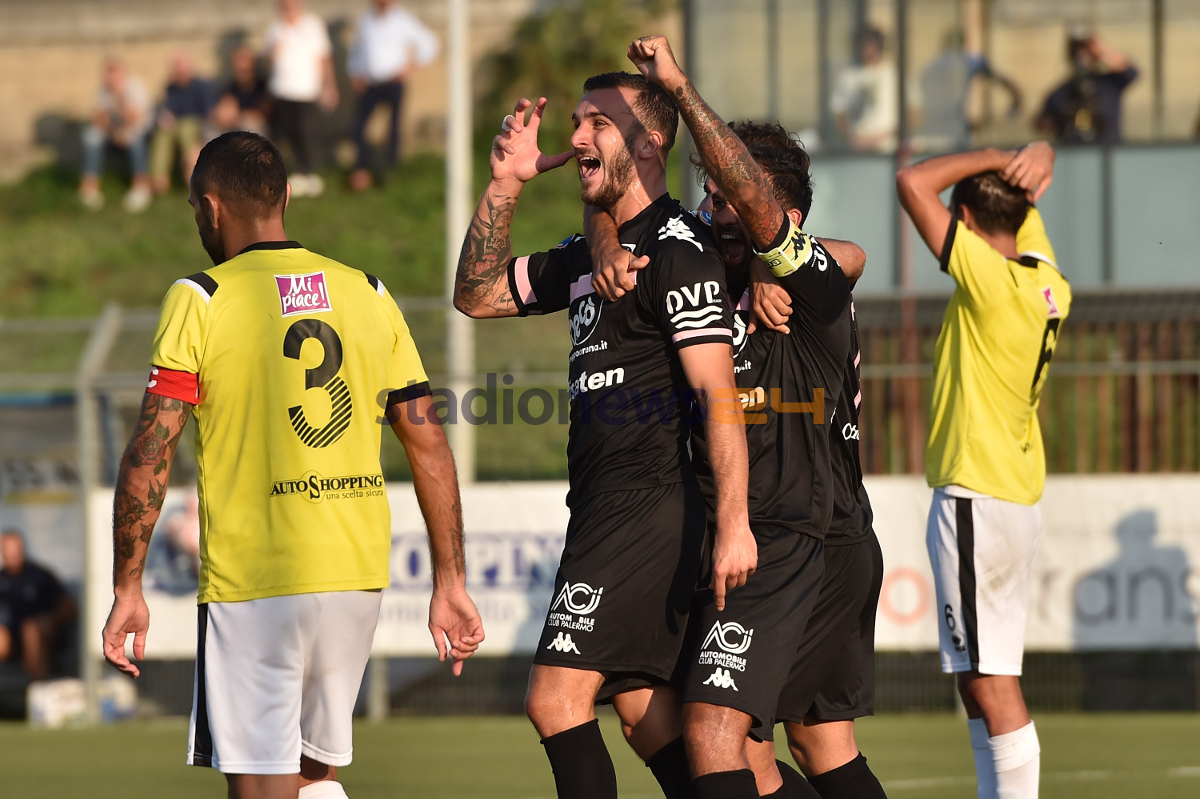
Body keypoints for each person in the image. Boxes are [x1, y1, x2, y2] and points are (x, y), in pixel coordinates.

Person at [101, 131, 484, 799]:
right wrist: (450, 579)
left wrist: (127, 586)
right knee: (314, 778)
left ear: (211, 207)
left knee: (262, 788)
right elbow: (429, 445)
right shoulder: (369, 290)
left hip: (258, 579)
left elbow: (149, 453)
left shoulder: (201, 296)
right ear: (283, 199)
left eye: (195, 210)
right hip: (354, 575)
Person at [589, 36, 887, 799]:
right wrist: (606, 238)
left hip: (800, 532)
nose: (716, 211)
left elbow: (847, 253)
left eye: (732, 200)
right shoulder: (702, 269)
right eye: (712, 198)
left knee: (716, 730)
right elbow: (622, 216)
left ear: (785, 219)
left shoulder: (808, 285)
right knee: (804, 745)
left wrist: (766, 256)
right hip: (777, 531)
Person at [454, 76, 754, 799]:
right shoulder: (589, 253)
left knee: (554, 699)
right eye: (577, 121)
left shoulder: (678, 250)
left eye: (599, 123)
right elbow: (477, 293)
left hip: (648, 505)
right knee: (649, 718)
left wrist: (735, 522)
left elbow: (718, 397)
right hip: (602, 505)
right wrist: (504, 185)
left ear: (650, 143)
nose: (577, 137)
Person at [897, 141, 1070, 799]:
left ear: (964, 220)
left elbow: (912, 183)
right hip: (1010, 498)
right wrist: (1036, 156)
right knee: (978, 680)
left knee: (993, 684)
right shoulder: (1048, 282)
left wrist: (997, 153)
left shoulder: (988, 279)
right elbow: (1020, 209)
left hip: (978, 496)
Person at [346, 0, 439, 191]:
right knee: (359, 126)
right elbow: (359, 50)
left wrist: (412, 67)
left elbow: (429, 42)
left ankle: (389, 170)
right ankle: (361, 169)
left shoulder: (402, 20)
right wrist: (356, 72)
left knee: (393, 127)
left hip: (393, 82)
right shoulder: (366, 20)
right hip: (371, 83)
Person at [264, 0, 339, 197]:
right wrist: (273, 52)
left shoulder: (313, 25)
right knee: (291, 133)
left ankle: (310, 172)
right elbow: (268, 61)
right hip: (282, 90)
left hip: (307, 90)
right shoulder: (275, 29)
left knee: (307, 131)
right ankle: (298, 172)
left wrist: (329, 85)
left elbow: (324, 57)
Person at [913, 29, 1021, 152]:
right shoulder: (966, 61)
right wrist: (1015, 103)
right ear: (963, 44)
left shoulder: (929, 67)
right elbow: (1001, 81)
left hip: (929, 138)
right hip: (956, 138)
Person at [78, 57, 154, 213]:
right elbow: (98, 119)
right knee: (91, 136)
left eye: (113, 76)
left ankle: (141, 187)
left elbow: (134, 118)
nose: (110, 80)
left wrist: (119, 98)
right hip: (114, 131)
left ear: (123, 74)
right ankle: (89, 187)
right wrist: (112, 131)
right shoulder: (104, 90)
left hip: (139, 129)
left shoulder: (136, 87)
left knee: (133, 138)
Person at [0, 530, 77, 681]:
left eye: (15, 551)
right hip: (14, 638)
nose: (12, 556)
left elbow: (69, 608)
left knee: (31, 629)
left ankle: (39, 684)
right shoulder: (2, 579)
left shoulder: (40, 576)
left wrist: (47, 621)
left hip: (46, 636)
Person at [1036, 32, 1137, 145]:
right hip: (1073, 153)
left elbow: (1130, 72)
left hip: (1108, 152)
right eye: (1078, 53)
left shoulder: (1110, 84)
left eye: (1087, 53)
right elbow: (1041, 123)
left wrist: (1101, 48)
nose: (1082, 58)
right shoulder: (1060, 94)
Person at [150, 52, 217, 196]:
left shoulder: (202, 86)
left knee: (185, 128)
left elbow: (210, 114)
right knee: (163, 133)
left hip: (197, 125)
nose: (179, 73)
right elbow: (167, 109)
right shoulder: (171, 88)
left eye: (181, 70)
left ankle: (192, 174)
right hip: (176, 125)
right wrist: (165, 117)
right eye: (176, 70)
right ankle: (159, 179)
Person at [830, 28, 898, 153]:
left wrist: (887, 135)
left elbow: (912, 112)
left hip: (888, 149)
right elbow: (840, 112)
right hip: (858, 151)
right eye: (864, 46)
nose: (868, 51)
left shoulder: (894, 74)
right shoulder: (849, 75)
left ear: (880, 47)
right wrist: (853, 138)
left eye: (871, 46)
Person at [211, 46, 270, 136]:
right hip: (233, 124)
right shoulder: (230, 87)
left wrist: (238, 114)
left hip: (257, 128)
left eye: (244, 71)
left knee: (250, 126)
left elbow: (263, 114)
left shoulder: (263, 87)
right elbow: (222, 110)